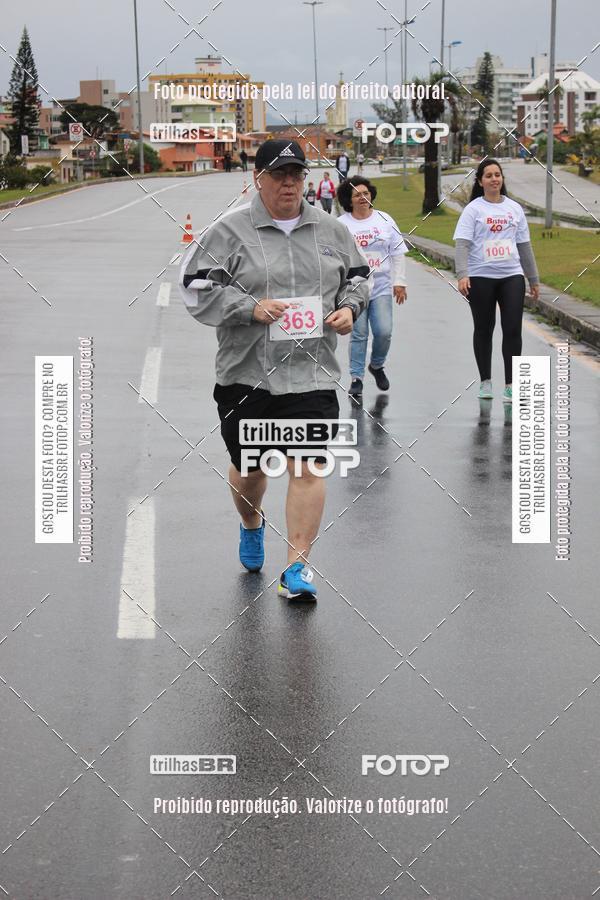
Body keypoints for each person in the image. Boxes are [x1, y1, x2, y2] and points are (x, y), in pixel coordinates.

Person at [179, 140, 370, 600]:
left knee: (308, 467)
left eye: (297, 174)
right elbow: (195, 287)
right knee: (250, 470)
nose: (289, 183)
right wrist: (250, 308)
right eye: (279, 174)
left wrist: (349, 308)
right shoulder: (228, 232)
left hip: (312, 374)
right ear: (258, 178)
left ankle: (297, 568)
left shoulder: (330, 230)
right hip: (247, 376)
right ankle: (251, 522)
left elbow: (360, 277)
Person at [453, 159, 540, 402]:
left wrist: (533, 278)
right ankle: (485, 381)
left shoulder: (514, 208)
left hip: (511, 275)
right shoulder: (474, 210)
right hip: (481, 277)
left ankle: (511, 384)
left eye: (497, 175)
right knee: (484, 328)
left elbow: (524, 246)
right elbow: (462, 245)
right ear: (480, 182)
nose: (494, 179)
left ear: (502, 179)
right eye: (489, 175)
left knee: (512, 329)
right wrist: (463, 275)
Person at [337, 176, 408, 400]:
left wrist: (400, 281)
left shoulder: (384, 220)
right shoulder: (341, 224)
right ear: (349, 200)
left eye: (366, 193)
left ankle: (376, 366)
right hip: (355, 288)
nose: (362, 197)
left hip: (382, 286)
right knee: (358, 334)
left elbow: (397, 253)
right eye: (357, 194)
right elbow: (333, 258)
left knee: (384, 331)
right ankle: (356, 378)